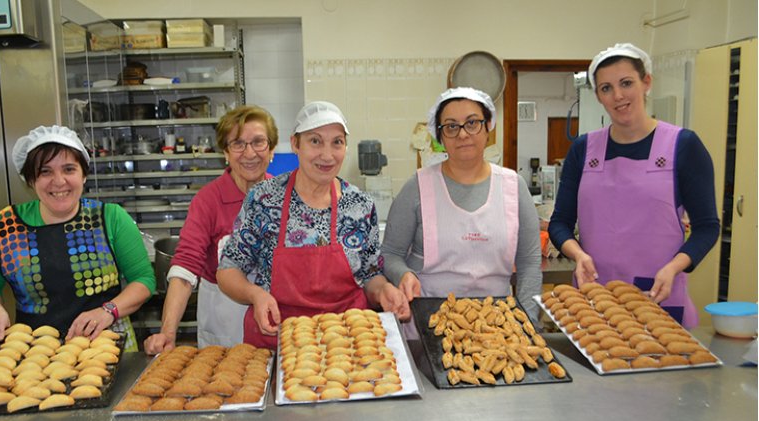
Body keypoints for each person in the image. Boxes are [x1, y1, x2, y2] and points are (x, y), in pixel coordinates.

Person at [548, 43, 720, 328]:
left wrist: (674, 267)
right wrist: (578, 255)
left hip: (659, 298)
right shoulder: (583, 149)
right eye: (606, 88)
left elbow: (707, 226)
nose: (618, 96)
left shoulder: (683, 146)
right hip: (595, 299)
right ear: (598, 96)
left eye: (626, 83)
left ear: (646, 82)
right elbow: (560, 223)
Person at [217, 101, 410, 349]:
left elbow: (371, 275)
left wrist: (383, 291)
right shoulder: (264, 199)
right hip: (279, 340)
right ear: (295, 144)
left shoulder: (360, 205)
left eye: (337, 142)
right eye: (315, 141)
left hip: (347, 343)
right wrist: (255, 295)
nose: (327, 155)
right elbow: (228, 270)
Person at [0, 125, 155, 351]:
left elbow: (144, 280)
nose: (58, 181)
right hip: (35, 353)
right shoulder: (6, 226)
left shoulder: (110, 218)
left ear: (83, 175)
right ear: (30, 180)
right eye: (45, 171)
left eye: (69, 169)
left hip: (108, 347)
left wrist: (108, 311)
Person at [381, 87, 543, 330]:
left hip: (496, 326)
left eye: (472, 123)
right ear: (440, 136)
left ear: (488, 127)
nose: (463, 134)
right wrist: (403, 274)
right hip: (428, 322)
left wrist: (528, 324)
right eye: (451, 126)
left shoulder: (513, 187)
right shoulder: (418, 187)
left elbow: (529, 263)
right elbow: (390, 253)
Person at [144, 105, 278, 354]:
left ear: (271, 149)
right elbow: (185, 267)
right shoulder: (209, 200)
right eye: (238, 144)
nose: (249, 153)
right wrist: (168, 333)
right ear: (225, 152)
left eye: (258, 142)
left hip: (275, 323)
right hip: (226, 325)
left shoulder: (284, 196)